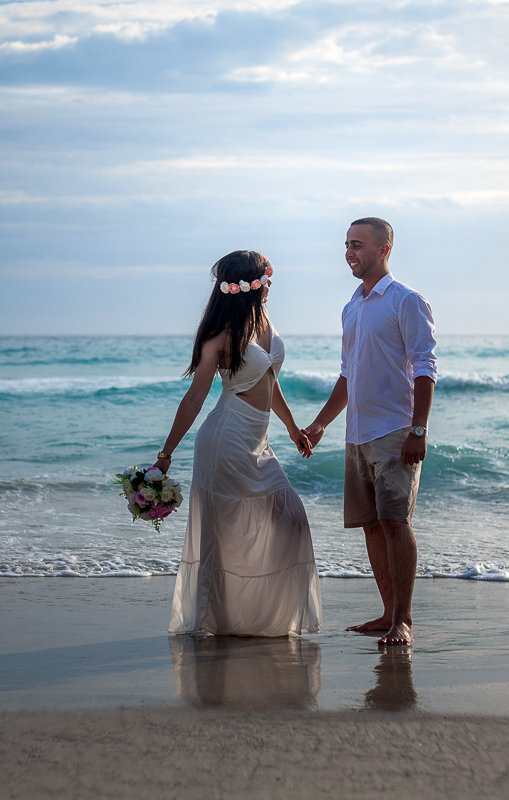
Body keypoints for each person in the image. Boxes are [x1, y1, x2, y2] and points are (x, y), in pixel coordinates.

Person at [156, 250, 321, 637]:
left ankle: (256, 619)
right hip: (226, 439)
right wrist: (166, 454)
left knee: (292, 519)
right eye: (267, 278)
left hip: (257, 439)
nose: (271, 284)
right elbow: (195, 398)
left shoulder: (263, 318)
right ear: (252, 282)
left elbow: (270, 380)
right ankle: (219, 622)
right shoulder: (221, 334)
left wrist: (294, 429)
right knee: (223, 535)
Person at [303, 218, 436, 646]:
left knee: (395, 521)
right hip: (357, 433)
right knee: (372, 526)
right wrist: (322, 422)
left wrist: (419, 428)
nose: (349, 252)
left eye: (357, 245)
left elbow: (426, 368)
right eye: (346, 245)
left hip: (396, 429)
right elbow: (347, 375)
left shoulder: (406, 301)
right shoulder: (352, 307)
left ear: (384, 249)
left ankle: (404, 620)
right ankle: (386, 613)